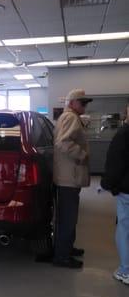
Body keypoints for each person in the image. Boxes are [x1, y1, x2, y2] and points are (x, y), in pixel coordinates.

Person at [53, 89, 93, 268]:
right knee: (68, 218)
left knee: (69, 216)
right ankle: (62, 256)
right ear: (71, 103)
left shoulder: (70, 116)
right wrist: (82, 155)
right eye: (81, 102)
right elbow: (63, 142)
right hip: (68, 178)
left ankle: (66, 248)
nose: (85, 105)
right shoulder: (70, 117)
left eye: (85, 102)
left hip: (69, 177)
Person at [101, 109, 129, 285]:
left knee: (124, 228)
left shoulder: (124, 134)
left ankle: (126, 271)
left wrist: (107, 184)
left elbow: (115, 163)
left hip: (127, 191)